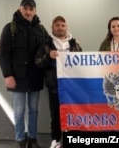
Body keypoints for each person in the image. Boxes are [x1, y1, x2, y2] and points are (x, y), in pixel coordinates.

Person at [0, 0, 48, 148]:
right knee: (19, 111)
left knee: (33, 110)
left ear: (35, 11)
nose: (28, 12)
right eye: (25, 8)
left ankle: (32, 139)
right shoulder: (9, 28)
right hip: (16, 79)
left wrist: (71, 43)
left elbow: (49, 47)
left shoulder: (41, 29)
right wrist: (7, 75)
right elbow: (3, 55)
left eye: (31, 9)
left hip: (35, 78)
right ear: (20, 9)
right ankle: (21, 140)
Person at [35, 16, 82, 148]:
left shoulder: (74, 44)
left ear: (66, 27)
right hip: (55, 86)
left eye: (63, 25)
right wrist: (48, 57)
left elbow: (82, 63)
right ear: (52, 27)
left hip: (72, 87)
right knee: (55, 115)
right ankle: (55, 140)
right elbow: (38, 63)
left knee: (73, 113)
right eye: (57, 25)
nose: (60, 28)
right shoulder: (46, 44)